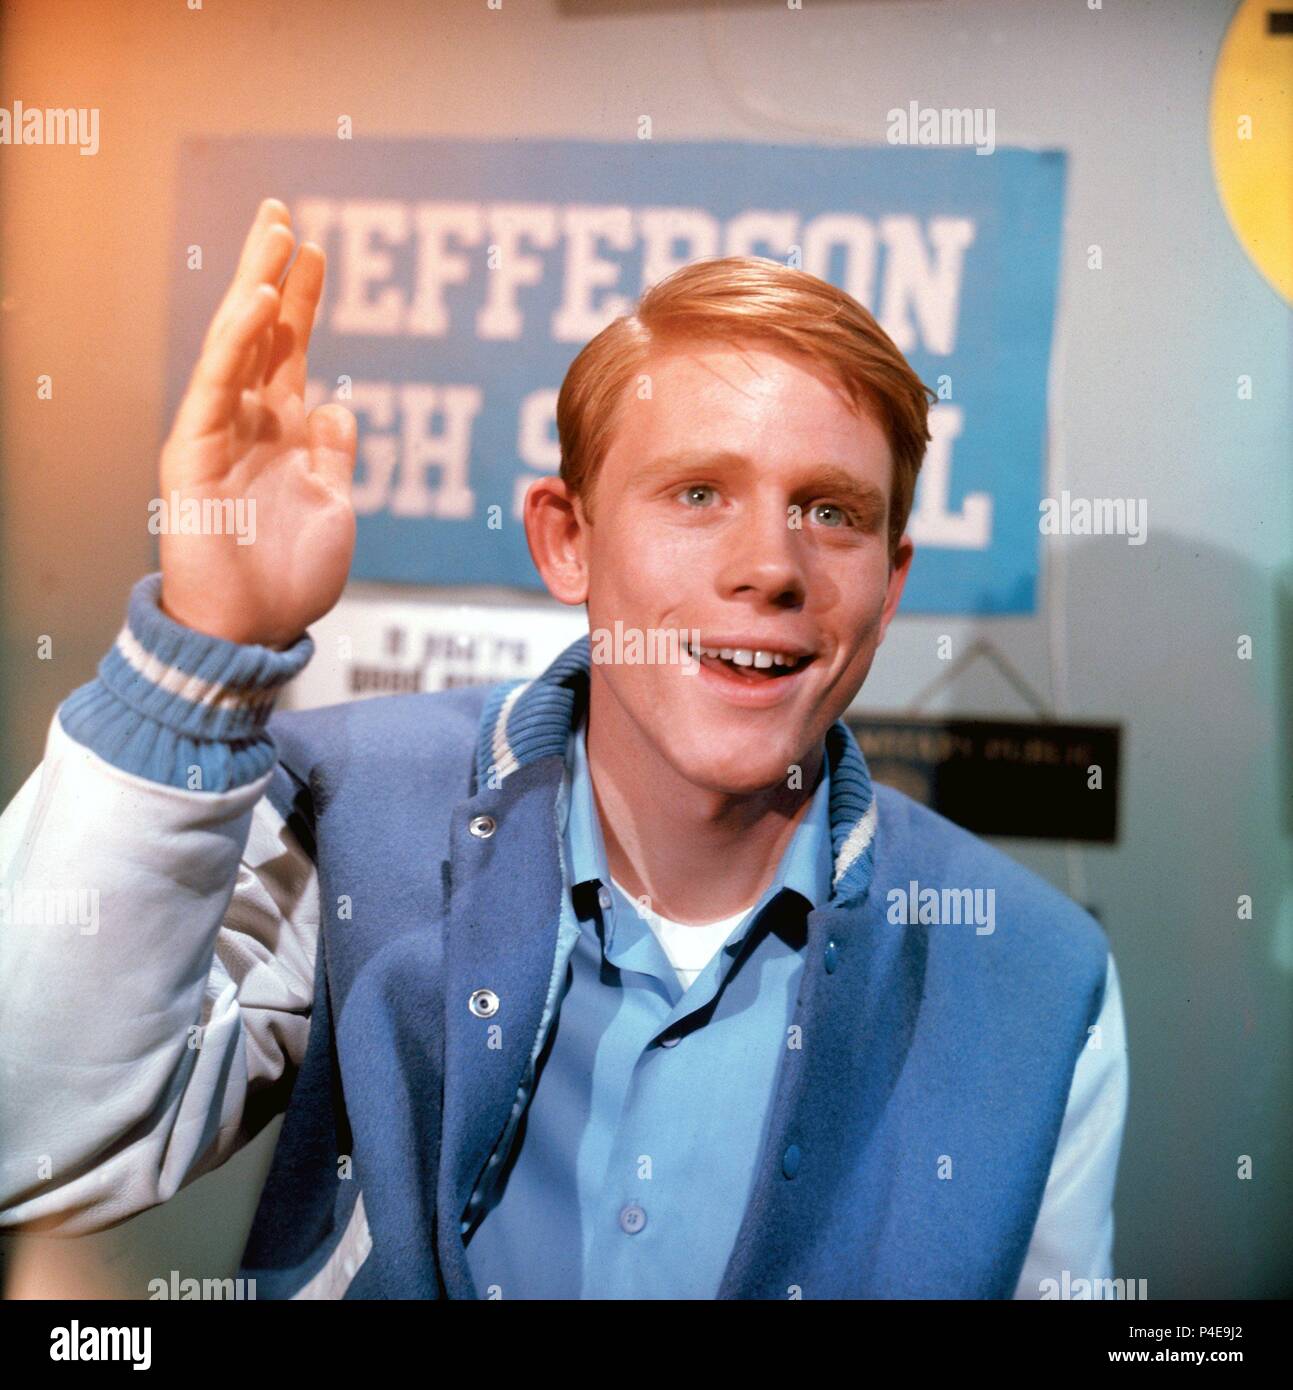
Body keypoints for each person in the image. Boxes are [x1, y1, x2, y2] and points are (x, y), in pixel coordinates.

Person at [0, 197, 1127, 1299]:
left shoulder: (1033, 974)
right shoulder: (347, 810)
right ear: (566, 541)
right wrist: (200, 652)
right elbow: (37, 1139)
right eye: (699, 492)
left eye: (832, 512)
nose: (771, 567)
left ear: (890, 585)